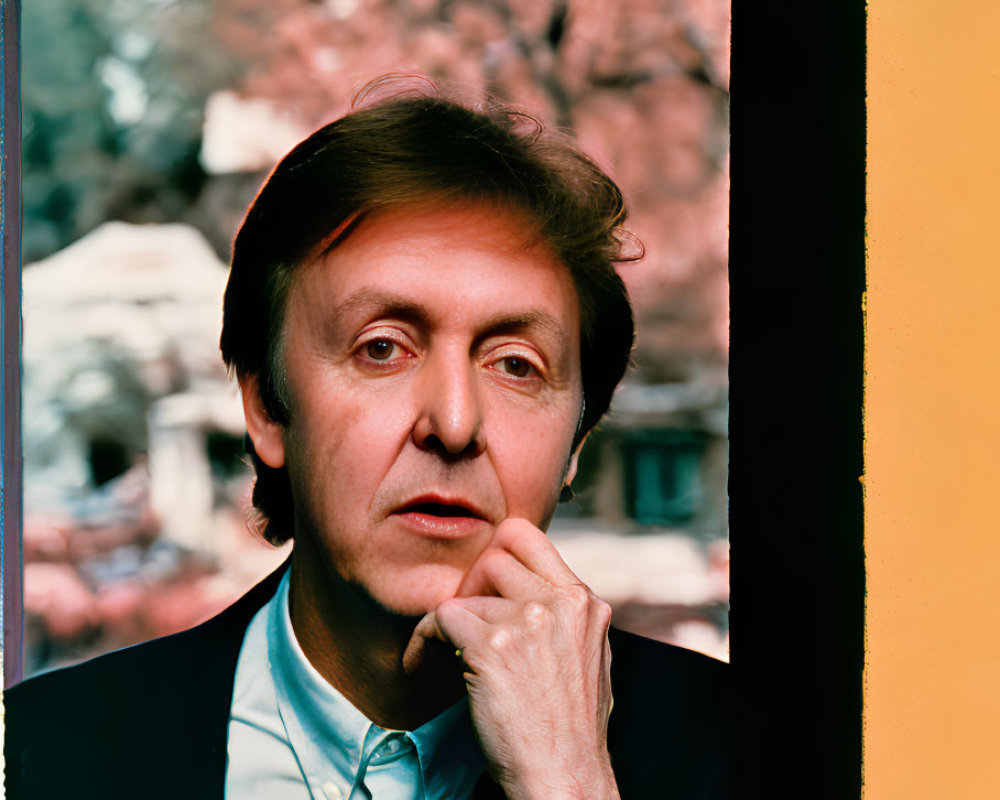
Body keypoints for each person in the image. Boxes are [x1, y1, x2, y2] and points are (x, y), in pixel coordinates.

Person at [4, 83, 728, 800]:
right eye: (382, 349)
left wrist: (568, 783)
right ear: (266, 406)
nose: (453, 423)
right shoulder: (41, 754)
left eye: (516, 364)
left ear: (577, 439)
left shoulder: (747, 748)